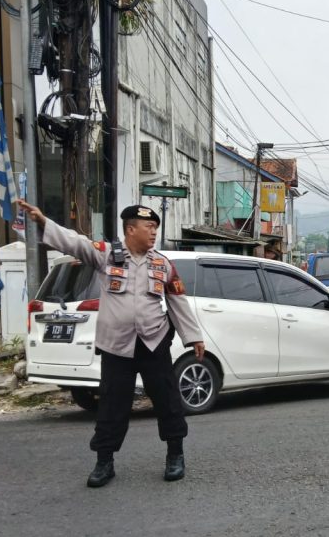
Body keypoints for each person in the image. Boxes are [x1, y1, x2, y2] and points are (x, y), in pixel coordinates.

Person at [16, 199, 206, 487]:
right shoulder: (107, 255)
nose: (153, 232)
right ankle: (104, 462)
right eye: (148, 227)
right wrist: (44, 222)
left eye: (155, 227)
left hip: (154, 343)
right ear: (130, 230)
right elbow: (76, 243)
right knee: (112, 405)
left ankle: (175, 456)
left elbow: (177, 300)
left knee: (168, 402)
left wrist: (193, 337)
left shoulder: (162, 264)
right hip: (117, 346)